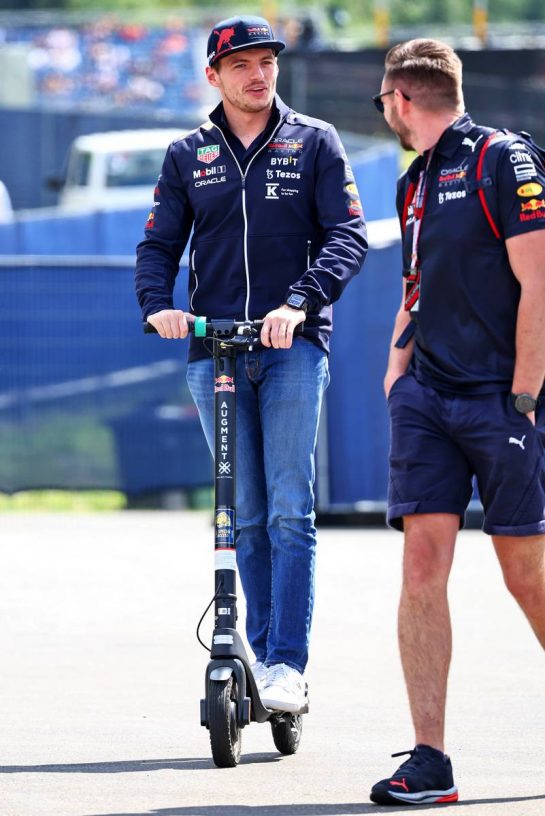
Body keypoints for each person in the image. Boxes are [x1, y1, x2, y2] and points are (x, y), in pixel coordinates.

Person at [135, 15, 367, 712]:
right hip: (213, 351)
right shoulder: (187, 154)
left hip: (291, 348)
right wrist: (157, 306)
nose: (256, 73)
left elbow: (348, 235)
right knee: (244, 512)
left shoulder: (314, 141)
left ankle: (285, 666)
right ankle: (258, 652)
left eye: (264, 60)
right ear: (213, 74)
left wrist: (298, 304)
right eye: (240, 64)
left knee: (290, 511)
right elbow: (157, 248)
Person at [370, 38, 545, 805]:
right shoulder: (413, 182)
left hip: (501, 401)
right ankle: (429, 759)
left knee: (524, 574)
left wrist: (526, 392)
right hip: (426, 401)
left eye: (385, 102)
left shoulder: (503, 160)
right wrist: (396, 365)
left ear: (402, 100)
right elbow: (417, 283)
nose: (386, 115)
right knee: (419, 572)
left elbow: (538, 280)